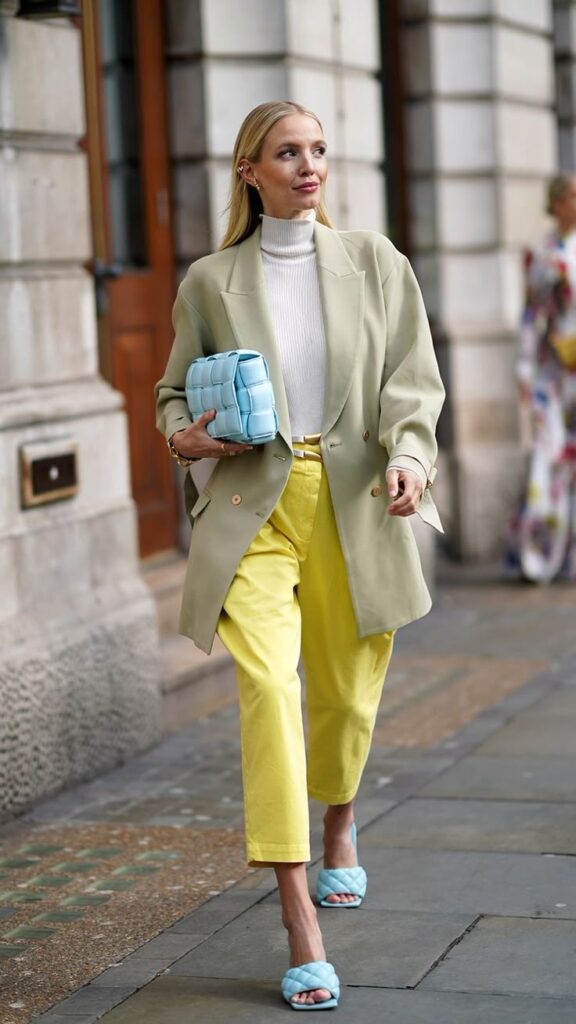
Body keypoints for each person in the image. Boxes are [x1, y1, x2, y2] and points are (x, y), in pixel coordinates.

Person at [155, 100, 444, 1010]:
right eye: (288, 153)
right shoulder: (210, 280)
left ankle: (342, 822)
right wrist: (186, 440)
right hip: (254, 504)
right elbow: (171, 394)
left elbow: (411, 380)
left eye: (318, 149)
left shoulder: (376, 262)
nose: (309, 165)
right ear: (251, 171)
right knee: (272, 691)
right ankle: (298, 920)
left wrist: (408, 457)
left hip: (354, 499)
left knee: (349, 688)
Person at [507, 174, 576, 582]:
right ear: (556, 203)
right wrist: (524, 369)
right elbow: (533, 318)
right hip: (554, 376)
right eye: (571, 195)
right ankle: (537, 555)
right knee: (548, 460)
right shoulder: (545, 255)